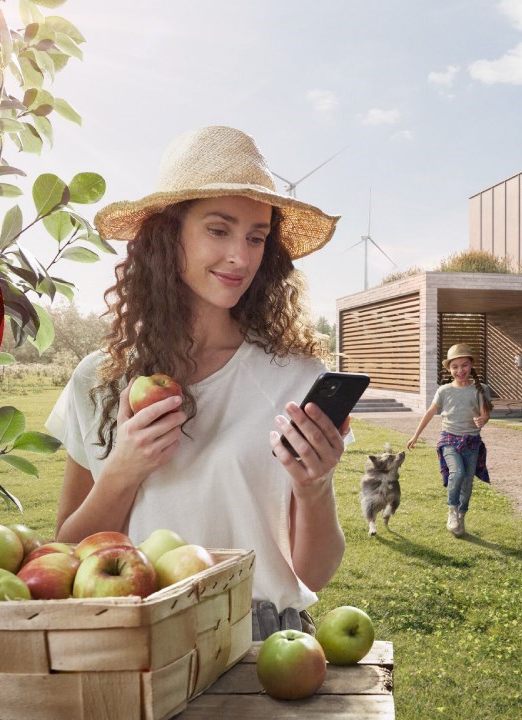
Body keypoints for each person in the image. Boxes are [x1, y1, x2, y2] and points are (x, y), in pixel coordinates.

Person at [46, 126, 348, 638]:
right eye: (218, 230)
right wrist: (123, 470)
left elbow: (312, 574)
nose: (241, 257)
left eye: (256, 237)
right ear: (169, 235)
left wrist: (314, 486)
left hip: (262, 639)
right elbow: (68, 553)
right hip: (136, 635)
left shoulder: (296, 377)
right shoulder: (99, 379)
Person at [405, 344, 492, 537]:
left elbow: (485, 415)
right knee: (457, 472)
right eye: (455, 366)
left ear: (471, 365)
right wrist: (415, 435)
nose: (460, 370)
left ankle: (461, 515)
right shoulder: (444, 391)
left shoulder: (481, 389)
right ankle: (452, 510)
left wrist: (483, 420)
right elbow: (430, 413)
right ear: (449, 369)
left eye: (464, 365)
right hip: (449, 439)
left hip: (472, 442)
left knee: (467, 482)